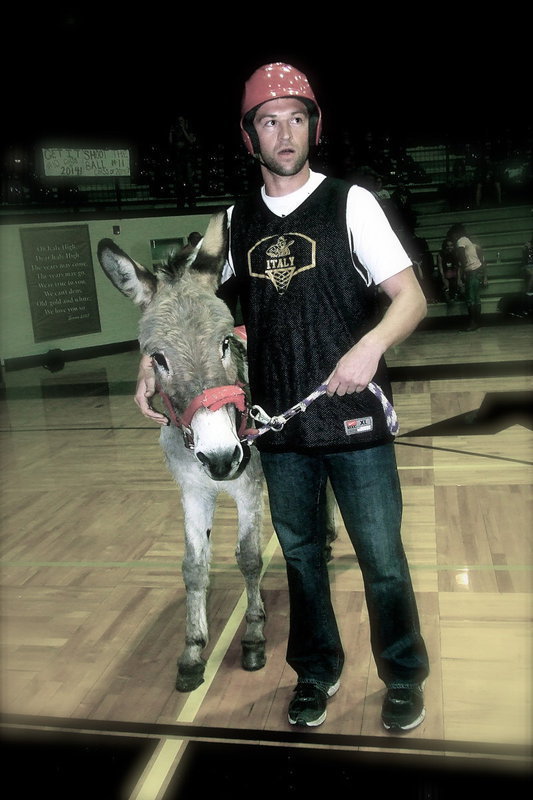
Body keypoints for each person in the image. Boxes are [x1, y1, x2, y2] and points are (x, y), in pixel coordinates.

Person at [135, 63, 430, 732]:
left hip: (355, 421)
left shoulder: (350, 203)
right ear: (250, 137)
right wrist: (147, 368)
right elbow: (178, 303)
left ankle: (402, 676)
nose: (284, 131)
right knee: (300, 561)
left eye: (296, 117)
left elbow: (410, 298)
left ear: (313, 127)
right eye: (269, 120)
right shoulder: (233, 225)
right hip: (282, 429)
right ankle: (316, 674)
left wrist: (368, 347)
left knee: (382, 561)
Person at [448, 223, 487, 331]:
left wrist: (463, 268)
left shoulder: (461, 241)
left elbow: (461, 255)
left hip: (472, 270)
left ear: (456, 234)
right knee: (476, 298)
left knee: (470, 299)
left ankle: (473, 323)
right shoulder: (467, 240)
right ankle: (478, 322)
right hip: (477, 269)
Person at [437, 237, 463, 306]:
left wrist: (459, 279)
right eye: (448, 246)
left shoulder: (456, 254)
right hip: (445, 274)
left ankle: (454, 296)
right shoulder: (441, 254)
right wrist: (443, 278)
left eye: (451, 245)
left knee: (456, 283)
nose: (449, 247)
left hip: (453, 273)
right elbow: (440, 267)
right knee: (445, 284)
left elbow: (458, 268)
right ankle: (447, 297)